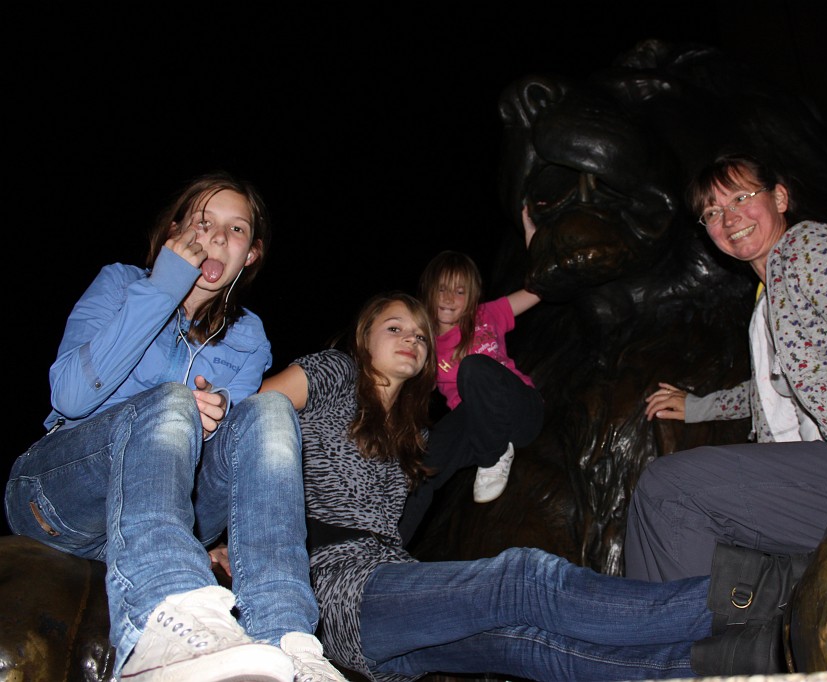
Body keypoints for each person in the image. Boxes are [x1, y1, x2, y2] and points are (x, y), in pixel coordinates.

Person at [260, 291, 722, 681]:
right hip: (336, 587)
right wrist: (231, 541)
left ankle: (720, 663)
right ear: (364, 338)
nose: (412, 340)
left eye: (421, 336)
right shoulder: (333, 373)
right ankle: (739, 600)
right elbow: (249, 423)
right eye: (395, 328)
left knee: (534, 648)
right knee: (522, 579)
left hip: (384, 609)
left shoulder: (414, 437)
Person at [4, 172, 344, 682]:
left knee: (270, 411)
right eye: (204, 222)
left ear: (250, 254)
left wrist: (221, 413)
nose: (216, 238)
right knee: (170, 401)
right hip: (63, 495)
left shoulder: (249, 337)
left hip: (165, 509)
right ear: (176, 231)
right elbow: (70, 396)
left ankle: (289, 639)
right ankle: (160, 621)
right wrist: (164, 288)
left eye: (236, 230)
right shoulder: (121, 284)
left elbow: (229, 456)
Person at [624, 152, 827, 583]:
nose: (729, 218)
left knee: (668, 489)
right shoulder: (767, 299)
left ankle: (668, 638)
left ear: (780, 198)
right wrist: (698, 407)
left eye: (742, 197)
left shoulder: (810, 248)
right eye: (713, 212)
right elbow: (774, 388)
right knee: (697, 526)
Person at [397, 209, 543, 543]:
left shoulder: (487, 314)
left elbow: (538, 290)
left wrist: (534, 242)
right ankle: (386, 550)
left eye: (459, 291)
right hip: (474, 420)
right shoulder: (425, 345)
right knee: (423, 469)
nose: (450, 299)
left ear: (472, 295)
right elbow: (404, 387)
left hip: (519, 408)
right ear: (428, 293)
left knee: (474, 368)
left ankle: (493, 456)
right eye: (442, 290)